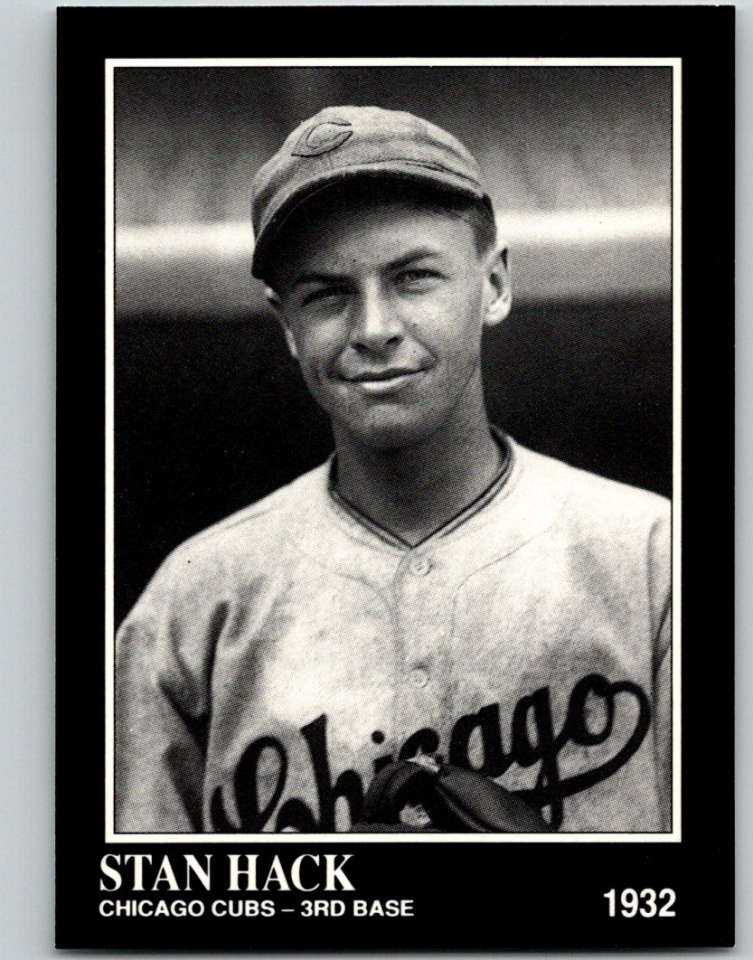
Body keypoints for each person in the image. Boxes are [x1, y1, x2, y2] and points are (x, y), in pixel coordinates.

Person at [115, 106, 671, 834]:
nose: (374, 328)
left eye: (413, 278)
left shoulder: (654, 557)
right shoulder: (193, 602)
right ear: (286, 324)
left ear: (495, 284)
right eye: (328, 295)